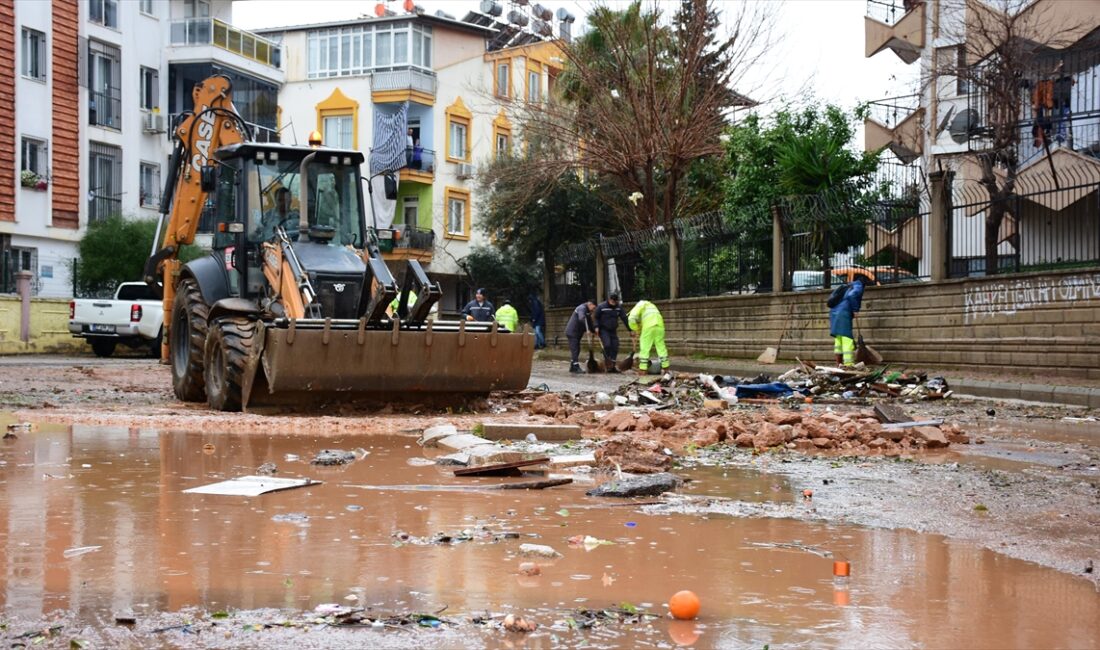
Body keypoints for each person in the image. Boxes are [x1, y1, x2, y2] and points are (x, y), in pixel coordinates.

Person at [829, 278, 865, 367]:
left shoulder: (847, 286)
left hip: (834, 313)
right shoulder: (858, 286)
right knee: (847, 338)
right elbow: (851, 296)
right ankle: (849, 364)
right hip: (843, 314)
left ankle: (839, 363)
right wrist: (855, 310)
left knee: (839, 338)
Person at [628, 299, 669, 374]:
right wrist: (640, 329)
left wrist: (635, 329)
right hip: (660, 326)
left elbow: (631, 319)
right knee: (661, 347)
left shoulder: (639, 306)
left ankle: (643, 370)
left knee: (644, 348)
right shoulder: (652, 306)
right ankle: (666, 368)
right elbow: (645, 319)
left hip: (649, 327)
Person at [594, 292, 630, 373]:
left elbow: (624, 318)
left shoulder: (618, 307)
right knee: (607, 345)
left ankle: (612, 365)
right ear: (609, 299)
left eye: (615, 302)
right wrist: (596, 327)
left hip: (613, 330)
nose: (613, 303)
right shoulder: (601, 307)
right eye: (612, 301)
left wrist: (630, 330)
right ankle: (607, 363)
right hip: (604, 330)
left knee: (615, 346)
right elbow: (596, 317)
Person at [565, 299, 597, 373]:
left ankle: (572, 366)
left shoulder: (588, 311)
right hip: (572, 332)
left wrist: (593, 331)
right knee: (575, 349)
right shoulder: (582, 308)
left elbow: (589, 322)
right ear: (590, 304)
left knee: (577, 349)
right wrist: (587, 329)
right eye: (593, 307)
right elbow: (581, 318)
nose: (594, 309)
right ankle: (575, 366)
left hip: (577, 333)